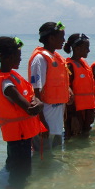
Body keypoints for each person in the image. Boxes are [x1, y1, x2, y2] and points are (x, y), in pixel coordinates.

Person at [0, 36, 46, 189]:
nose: (20, 60)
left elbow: (28, 94)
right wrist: (40, 103)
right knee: (21, 173)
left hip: (18, 135)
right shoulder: (7, 84)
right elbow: (30, 109)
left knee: (14, 165)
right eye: (18, 57)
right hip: (19, 135)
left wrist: (35, 99)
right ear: (9, 57)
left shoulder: (11, 76)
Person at [28, 22, 72, 150]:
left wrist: (68, 90)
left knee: (55, 160)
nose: (64, 40)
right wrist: (42, 122)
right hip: (45, 122)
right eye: (61, 37)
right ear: (51, 38)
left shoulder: (56, 57)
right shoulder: (40, 59)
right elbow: (35, 92)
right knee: (42, 160)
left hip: (56, 123)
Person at [64, 33, 95, 139]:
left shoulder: (84, 63)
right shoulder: (69, 66)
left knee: (84, 140)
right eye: (86, 47)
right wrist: (73, 117)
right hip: (76, 112)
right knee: (73, 139)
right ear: (77, 48)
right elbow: (68, 93)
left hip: (87, 110)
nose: (89, 50)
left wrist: (92, 110)